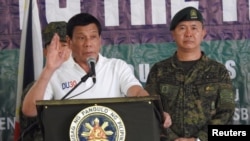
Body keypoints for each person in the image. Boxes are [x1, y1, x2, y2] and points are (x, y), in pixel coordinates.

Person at [22, 13, 172, 130]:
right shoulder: (55, 73)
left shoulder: (116, 67)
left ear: (100, 40)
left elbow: (137, 92)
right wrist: (48, 70)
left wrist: (155, 110)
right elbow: (30, 111)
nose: (88, 44)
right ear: (69, 41)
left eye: (93, 37)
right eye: (81, 38)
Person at [145, 7, 235, 141]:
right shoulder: (159, 70)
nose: (188, 34)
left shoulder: (218, 71)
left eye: (194, 28)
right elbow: (150, 109)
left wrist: (199, 139)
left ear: (203, 33)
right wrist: (172, 138)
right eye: (182, 28)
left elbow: (226, 112)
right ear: (173, 34)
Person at [19, 21, 70, 141]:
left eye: (64, 45)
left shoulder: (84, 82)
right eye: (54, 46)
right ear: (46, 52)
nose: (61, 51)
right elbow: (30, 112)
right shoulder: (35, 89)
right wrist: (49, 69)